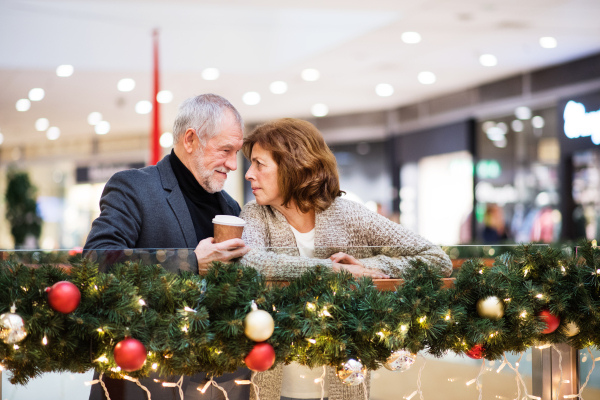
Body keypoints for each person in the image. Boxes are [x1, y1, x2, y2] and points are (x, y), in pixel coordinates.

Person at [238, 118, 452, 400]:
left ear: (293, 165)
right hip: (274, 384)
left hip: (346, 381)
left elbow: (437, 259)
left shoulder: (348, 214)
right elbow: (250, 262)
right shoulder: (255, 214)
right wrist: (334, 270)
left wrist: (373, 269)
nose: (248, 174)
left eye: (259, 163)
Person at [85, 94, 251, 400]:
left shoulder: (230, 207)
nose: (232, 164)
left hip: (218, 382)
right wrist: (190, 262)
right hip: (142, 379)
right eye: (225, 150)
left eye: (236, 152)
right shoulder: (133, 186)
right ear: (190, 139)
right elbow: (97, 261)